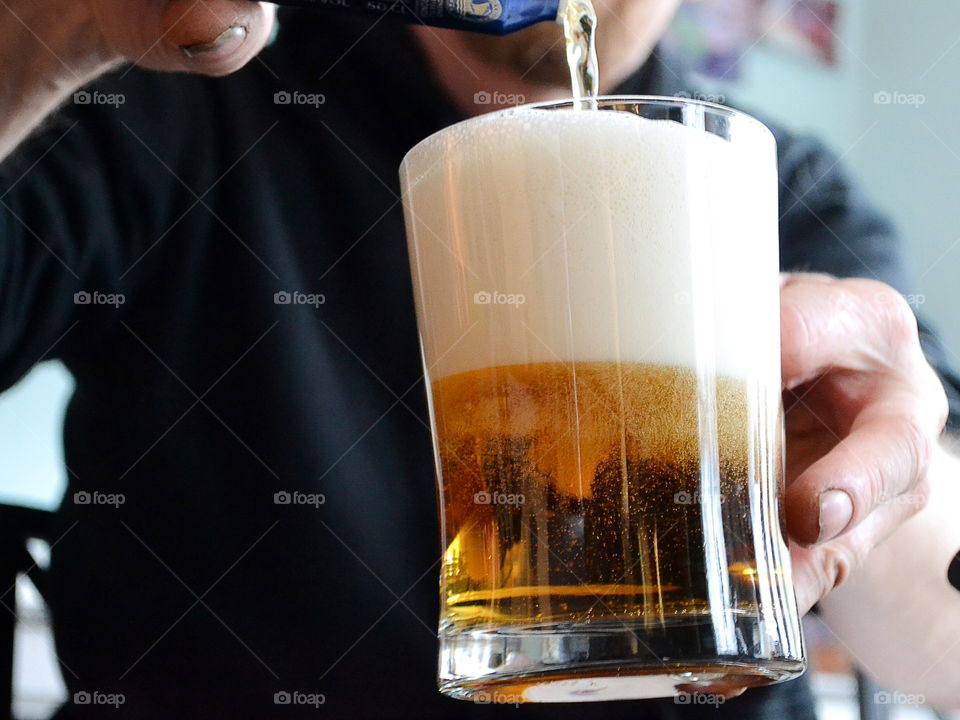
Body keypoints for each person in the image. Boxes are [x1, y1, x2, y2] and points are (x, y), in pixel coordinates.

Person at [0, 1, 958, 717]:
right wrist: (49, 31)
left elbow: (947, 645)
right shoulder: (178, 81)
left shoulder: (763, 179)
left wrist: (874, 489)